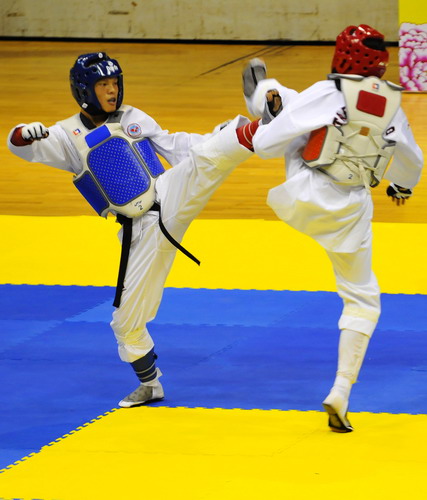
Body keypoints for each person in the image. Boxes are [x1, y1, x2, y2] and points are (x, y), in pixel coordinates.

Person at [8, 52, 258, 408]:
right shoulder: (67, 136)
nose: (112, 91)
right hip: (139, 232)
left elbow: (177, 147)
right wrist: (21, 133)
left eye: (115, 83)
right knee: (125, 322)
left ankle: (262, 126)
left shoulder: (133, 118)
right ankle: (151, 384)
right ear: (83, 89)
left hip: (168, 193)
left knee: (205, 160)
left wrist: (218, 136)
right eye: (103, 85)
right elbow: (22, 147)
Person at [242, 25, 424, 432]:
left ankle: (265, 96)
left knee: (291, 115)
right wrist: (401, 187)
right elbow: (412, 161)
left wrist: (269, 124)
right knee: (362, 299)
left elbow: (266, 145)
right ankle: (341, 389)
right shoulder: (392, 105)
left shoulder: (327, 93)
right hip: (351, 209)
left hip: (303, 193)